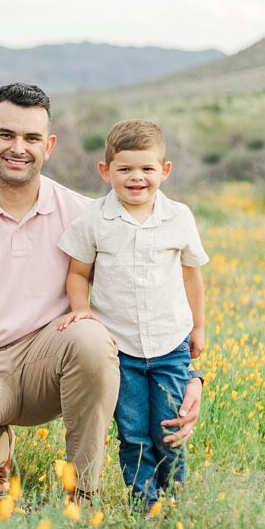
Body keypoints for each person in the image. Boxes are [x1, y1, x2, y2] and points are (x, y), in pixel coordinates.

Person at [0, 82, 203, 500]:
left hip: (51, 356)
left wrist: (190, 375)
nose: (18, 148)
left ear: (50, 146)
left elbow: (155, 292)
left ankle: (82, 490)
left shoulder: (84, 215)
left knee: (93, 338)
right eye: (6, 135)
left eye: (31, 138)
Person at [57, 119, 208, 505]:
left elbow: (192, 277)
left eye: (147, 169)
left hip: (170, 342)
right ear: (106, 171)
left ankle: (175, 499)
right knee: (133, 433)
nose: (136, 177)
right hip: (119, 348)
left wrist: (199, 328)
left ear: (165, 171)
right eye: (125, 169)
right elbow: (77, 273)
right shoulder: (94, 219)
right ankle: (145, 504)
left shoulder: (179, 217)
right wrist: (82, 310)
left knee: (169, 429)